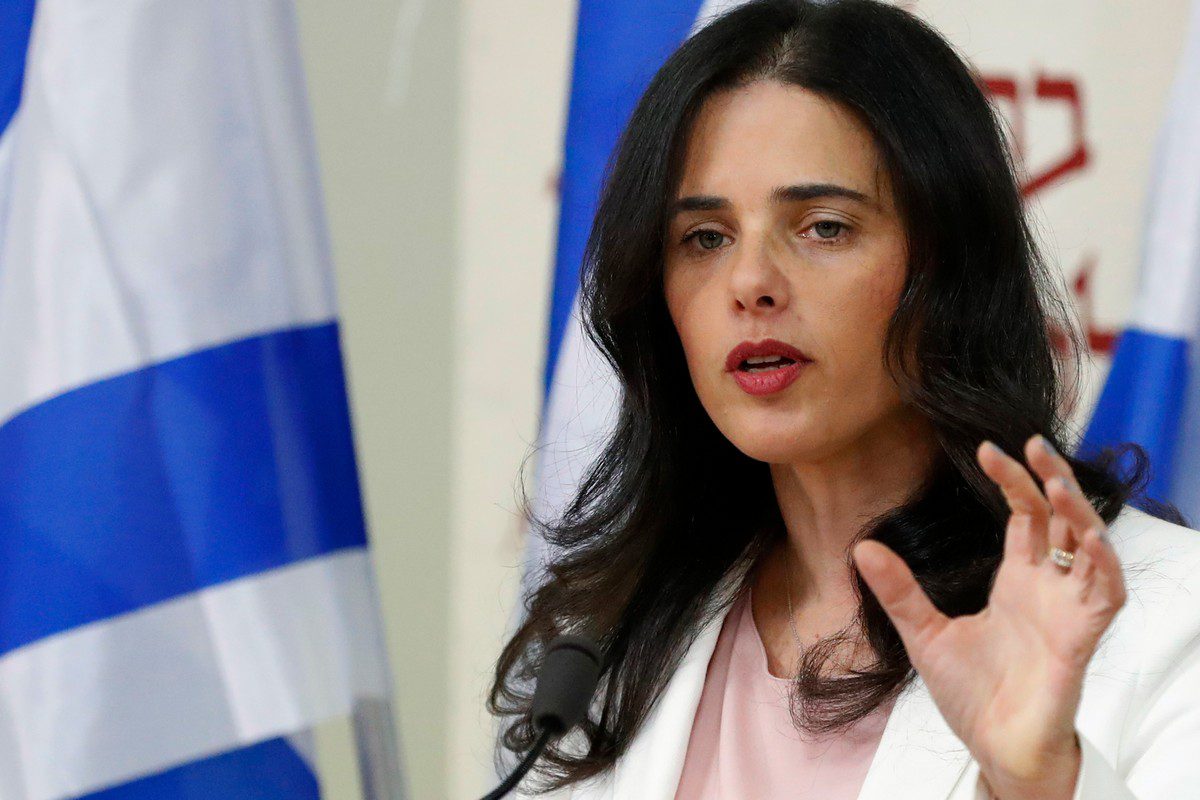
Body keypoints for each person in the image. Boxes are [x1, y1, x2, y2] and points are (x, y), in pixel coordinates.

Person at [489, 1, 1200, 798]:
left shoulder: (1170, 620)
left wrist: (1044, 782)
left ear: (947, 266)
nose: (750, 283)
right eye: (705, 238)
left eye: (824, 227)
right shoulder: (610, 635)